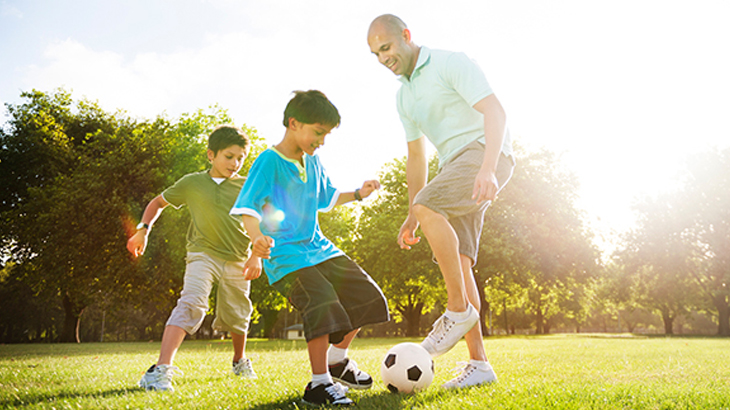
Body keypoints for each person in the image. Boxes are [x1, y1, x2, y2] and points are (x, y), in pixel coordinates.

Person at [367, 14, 516, 389]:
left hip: (483, 154)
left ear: (406, 36)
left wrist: (487, 167)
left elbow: (495, 111)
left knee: (429, 205)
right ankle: (480, 365)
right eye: (375, 54)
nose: (384, 58)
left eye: (386, 47)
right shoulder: (404, 96)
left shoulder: (451, 62)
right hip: (454, 165)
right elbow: (416, 157)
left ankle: (457, 309)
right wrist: (411, 214)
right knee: (460, 261)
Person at [230, 90, 390, 406]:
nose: (322, 140)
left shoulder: (313, 161)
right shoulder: (268, 162)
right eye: (318, 132)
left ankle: (337, 360)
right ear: (294, 123)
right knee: (322, 301)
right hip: (286, 256)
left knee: (367, 296)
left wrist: (359, 193)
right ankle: (319, 384)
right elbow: (248, 207)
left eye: (326, 134)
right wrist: (256, 239)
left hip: (320, 249)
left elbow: (326, 197)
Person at [126, 125, 257, 392]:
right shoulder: (192, 182)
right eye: (228, 156)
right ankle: (160, 370)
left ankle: (239, 360)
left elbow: (261, 223)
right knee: (192, 304)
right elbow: (156, 203)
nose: (235, 163)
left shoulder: (247, 186)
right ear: (211, 155)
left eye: (240, 158)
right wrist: (143, 231)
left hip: (238, 258)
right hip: (202, 254)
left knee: (238, 314)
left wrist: (257, 255)